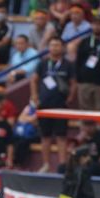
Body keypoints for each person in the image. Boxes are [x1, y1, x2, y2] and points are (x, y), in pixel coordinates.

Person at [30, 37, 76, 172]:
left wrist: (71, 97)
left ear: (62, 48)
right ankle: (46, 164)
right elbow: (34, 80)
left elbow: (73, 83)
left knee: (61, 136)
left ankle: (62, 165)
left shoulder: (68, 64)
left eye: (57, 45)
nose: (54, 48)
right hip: (44, 105)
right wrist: (35, 96)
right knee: (45, 136)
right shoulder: (43, 63)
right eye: (52, 45)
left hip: (61, 105)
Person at [75, 16, 100, 111]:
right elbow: (78, 61)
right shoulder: (84, 41)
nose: (97, 27)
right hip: (84, 82)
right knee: (85, 114)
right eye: (95, 24)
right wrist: (79, 80)